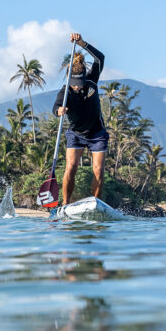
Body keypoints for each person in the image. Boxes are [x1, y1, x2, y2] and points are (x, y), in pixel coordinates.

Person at [52, 33, 107, 205]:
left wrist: (83, 43)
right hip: (76, 134)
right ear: (69, 79)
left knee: (98, 170)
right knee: (71, 167)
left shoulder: (91, 80)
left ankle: (96, 205)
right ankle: (65, 204)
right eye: (74, 83)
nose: (77, 86)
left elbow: (100, 58)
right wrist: (59, 111)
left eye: (80, 82)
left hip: (97, 133)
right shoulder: (65, 91)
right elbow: (55, 108)